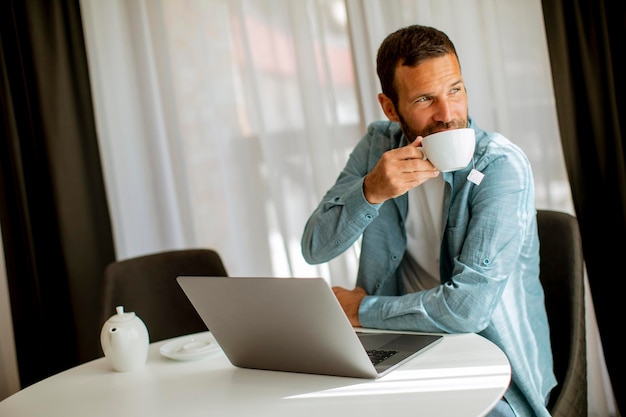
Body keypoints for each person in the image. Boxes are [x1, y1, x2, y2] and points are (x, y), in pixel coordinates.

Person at [301, 25, 556, 417]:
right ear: (390, 107)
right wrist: (371, 192)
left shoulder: (501, 167)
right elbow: (314, 248)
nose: (449, 114)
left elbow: (467, 310)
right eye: (425, 99)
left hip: (493, 365)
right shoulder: (378, 147)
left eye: (455, 89)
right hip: (399, 346)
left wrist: (359, 309)